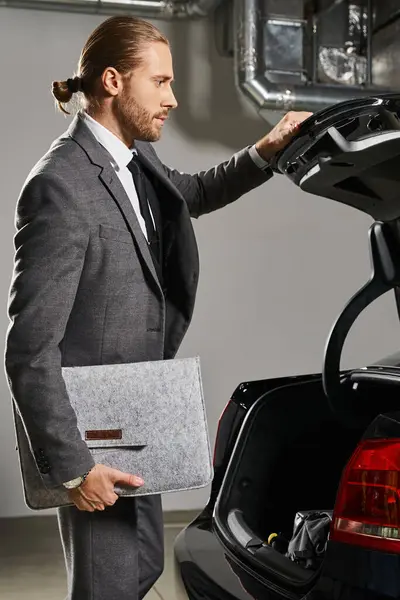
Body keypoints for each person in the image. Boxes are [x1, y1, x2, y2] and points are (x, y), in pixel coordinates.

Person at [4, 14, 311, 600]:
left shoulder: (132, 160)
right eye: (162, 82)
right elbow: (29, 348)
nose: (172, 99)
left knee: (141, 570)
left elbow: (190, 193)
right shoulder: (60, 185)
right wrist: (74, 467)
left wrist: (266, 151)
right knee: (109, 586)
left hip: (141, 419)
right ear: (115, 81)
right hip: (95, 438)